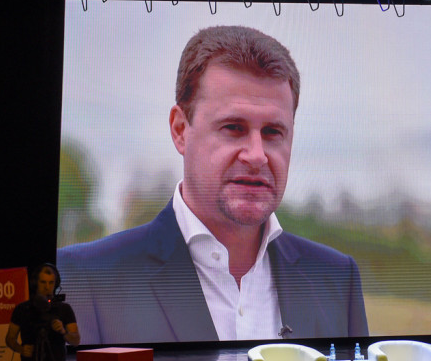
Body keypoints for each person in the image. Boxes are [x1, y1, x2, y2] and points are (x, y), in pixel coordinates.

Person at [57, 26, 368, 344]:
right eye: (233, 127)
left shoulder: (336, 279)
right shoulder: (87, 279)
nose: (257, 155)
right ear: (180, 130)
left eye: (273, 132)